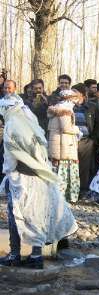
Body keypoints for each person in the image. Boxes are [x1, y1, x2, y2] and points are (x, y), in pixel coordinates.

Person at [0, 95, 77, 269]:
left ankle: (15, 255)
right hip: (41, 177)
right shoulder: (30, 120)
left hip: (22, 178)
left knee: (16, 215)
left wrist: (7, 174)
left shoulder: (12, 125)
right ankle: (36, 256)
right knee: (37, 215)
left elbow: (11, 158)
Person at [47, 89, 81, 203]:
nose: (75, 102)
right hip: (65, 146)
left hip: (58, 145)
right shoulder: (65, 110)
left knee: (57, 171)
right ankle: (67, 196)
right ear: (69, 99)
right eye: (74, 99)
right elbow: (66, 128)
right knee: (65, 172)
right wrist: (77, 130)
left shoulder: (56, 108)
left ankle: (56, 195)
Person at [71, 83, 99, 199]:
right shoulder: (69, 106)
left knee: (84, 166)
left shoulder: (91, 107)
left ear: (82, 95)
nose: (72, 95)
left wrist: (93, 139)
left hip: (86, 141)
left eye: (75, 93)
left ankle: (83, 190)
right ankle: (72, 189)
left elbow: (98, 124)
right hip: (71, 140)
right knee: (72, 166)